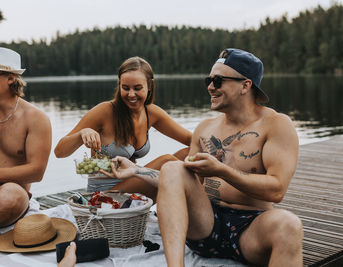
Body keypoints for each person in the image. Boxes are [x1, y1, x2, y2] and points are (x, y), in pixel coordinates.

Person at [155, 48, 303, 266]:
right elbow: (178, 184)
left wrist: (221, 170)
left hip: (251, 227)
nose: (210, 87)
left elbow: (277, 189)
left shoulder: (276, 124)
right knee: (171, 168)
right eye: (209, 80)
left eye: (218, 80)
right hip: (206, 224)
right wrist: (134, 170)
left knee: (289, 225)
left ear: (245, 85)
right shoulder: (204, 128)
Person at [54, 56, 191, 200]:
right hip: (104, 195)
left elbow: (190, 139)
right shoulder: (104, 111)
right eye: (125, 88)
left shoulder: (151, 113)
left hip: (131, 185)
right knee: (168, 162)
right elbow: (59, 151)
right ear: (119, 85)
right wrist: (82, 133)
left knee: (187, 154)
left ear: (150, 86)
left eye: (137, 88)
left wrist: (214, 160)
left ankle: (204, 202)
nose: (131, 94)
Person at [0, 47, 52, 227]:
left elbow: (37, 172)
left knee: (9, 198)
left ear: (10, 78)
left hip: (13, 190)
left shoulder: (36, 118)